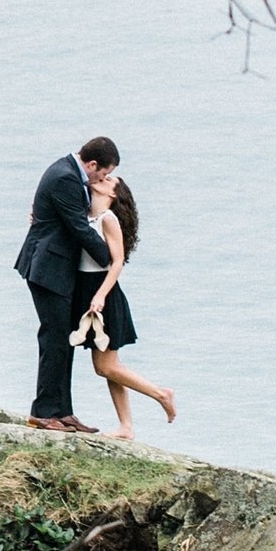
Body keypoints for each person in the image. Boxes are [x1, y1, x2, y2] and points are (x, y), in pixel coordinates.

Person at [14, 136, 120, 429]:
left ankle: (62, 410)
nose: (102, 179)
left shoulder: (70, 174)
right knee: (54, 339)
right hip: (47, 269)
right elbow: (78, 227)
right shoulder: (65, 178)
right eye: (102, 173)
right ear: (92, 164)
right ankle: (43, 411)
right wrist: (111, 258)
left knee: (65, 339)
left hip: (56, 268)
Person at [77, 175, 176, 439]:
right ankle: (126, 427)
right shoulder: (85, 214)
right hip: (88, 291)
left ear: (113, 194)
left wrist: (99, 296)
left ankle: (160, 394)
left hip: (103, 294)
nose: (101, 178)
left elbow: (117, 261)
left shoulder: (108, 219)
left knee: (105, 367)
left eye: (109, 179)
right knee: (111, 365)